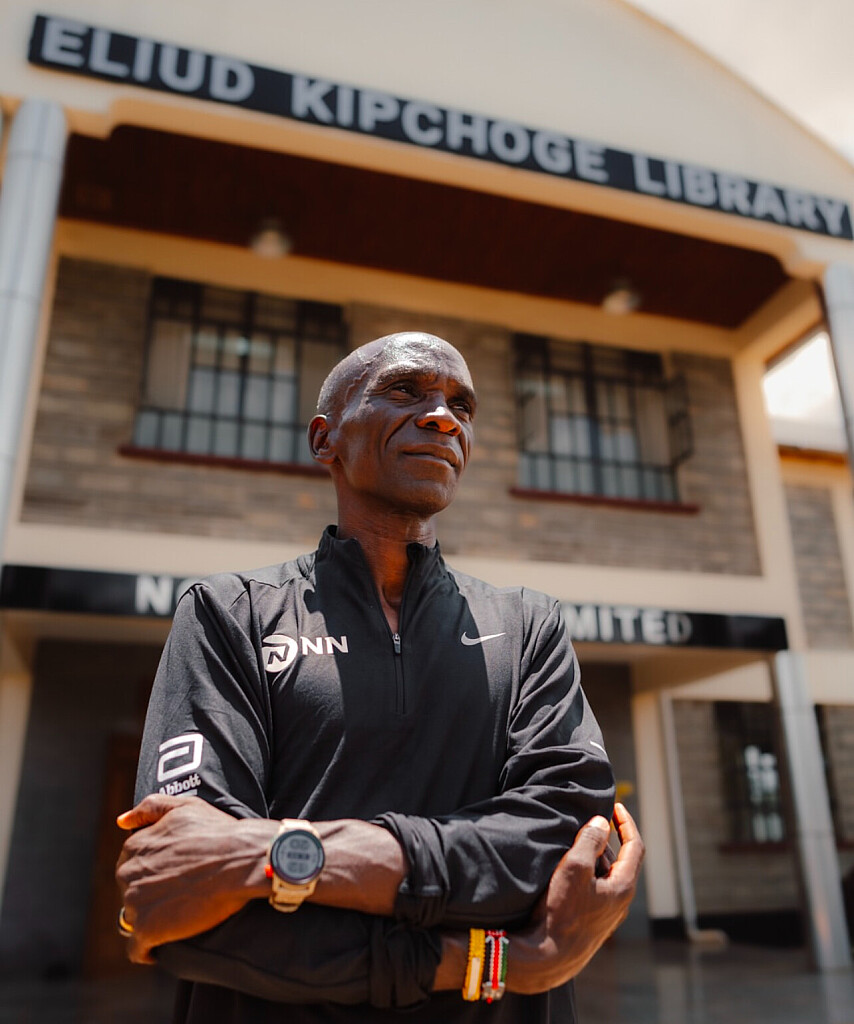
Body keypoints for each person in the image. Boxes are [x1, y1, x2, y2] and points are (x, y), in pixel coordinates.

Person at [116, 331, 644, 1022]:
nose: (443, 418)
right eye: (405, 390)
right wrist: (492, 961)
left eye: (461, 405)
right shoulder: (228, 613)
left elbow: (562, 847)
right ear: (324, 439)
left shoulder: (528, 625)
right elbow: (182, 901)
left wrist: (280, 856)